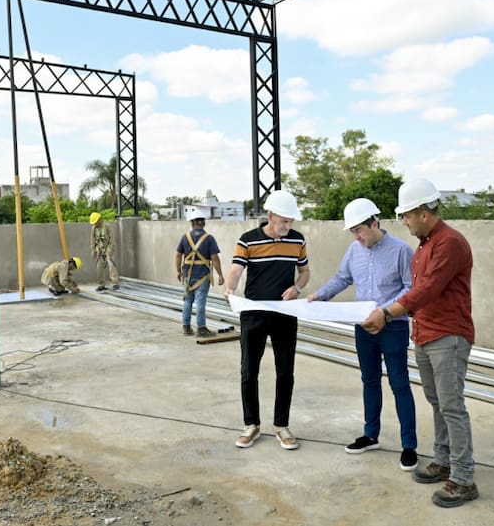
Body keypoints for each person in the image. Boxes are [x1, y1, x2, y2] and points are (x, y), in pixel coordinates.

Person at [361, 178, 477, 508]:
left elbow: (426, 291)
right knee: (437, 400)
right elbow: (417, 291)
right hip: (425, 333)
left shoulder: (449, 243)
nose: (404, 222)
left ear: (424, 213)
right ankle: (444, 460)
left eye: (407, 215)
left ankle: (464, 477)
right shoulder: (426, 245)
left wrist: (386, 312)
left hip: (448, 335)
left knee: (451, 404)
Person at [306, 198, 418, 471]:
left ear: (374, 223)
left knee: (399, 383)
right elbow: (342, 278)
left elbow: (411, 288)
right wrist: (319, 295)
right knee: (369, 380)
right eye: (353, 231)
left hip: (393, 326)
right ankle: (370, 435)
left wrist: (386, 312)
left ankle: (409, 446)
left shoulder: (401, 251)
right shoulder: (354, 251)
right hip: (363, 327)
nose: (357, 236)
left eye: (360, 230)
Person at [224, 189, 310, 451]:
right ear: (270, 216)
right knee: (249, 370)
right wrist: (229, 289)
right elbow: (236, 270)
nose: (288, 226)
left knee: (286, 371)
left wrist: (297, 288)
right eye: (284, 221)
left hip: (285, 313)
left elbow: (305, 271)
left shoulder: (297, 240)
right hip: (253, 314)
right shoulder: (248, 240)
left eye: (291, 222)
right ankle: (251, 424)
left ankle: (282, 426)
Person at [176, 207, 225, 337]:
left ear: (192, 223)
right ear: (203, 223)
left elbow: (178, 255)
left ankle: (186, 327)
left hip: (187, 275)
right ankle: (201, 329)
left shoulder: (185, 237)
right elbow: (214, 257)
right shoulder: (209, 239)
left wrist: (178, 272)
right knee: (200, 302)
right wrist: (220, 274)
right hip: (202, 276)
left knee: (187, 301)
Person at [89, 212, 120, 291]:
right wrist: (93, 251)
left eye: (96, 222)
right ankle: (101, 284)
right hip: (99, 250)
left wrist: (110, 250)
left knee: (111, 265)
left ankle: (115, 283)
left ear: (99, 220)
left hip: (107, 249)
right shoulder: (94, 228)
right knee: (99, 267)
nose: (95, 224)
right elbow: (92, 240)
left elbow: (111, 239)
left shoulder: (107, 226)